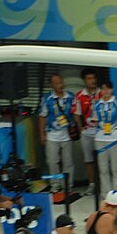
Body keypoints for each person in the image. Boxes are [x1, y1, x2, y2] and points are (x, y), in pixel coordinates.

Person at [38, 72, 76, 200]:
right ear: (52, 85)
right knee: (52, 162)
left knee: (68, 162)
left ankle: (68, 185)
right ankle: (55, 185)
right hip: (52, 136)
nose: (60, 85)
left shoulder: (70, 97)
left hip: (67, 135)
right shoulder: (47, 98)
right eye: (57, 83)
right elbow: (42, 117)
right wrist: (42, 134)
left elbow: (76, 113)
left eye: (61, 82)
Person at [93, 79, 117, 196]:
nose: (106, 91)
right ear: (100, 90)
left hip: (115, 139)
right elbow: (95, 121)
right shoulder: (96, 104)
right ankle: (105, 194)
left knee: (116, 168)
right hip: (100, 139)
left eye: (108, 88)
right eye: (103, 88)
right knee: (103, 169)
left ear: (112, 89)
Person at [73, 68, 101, 196]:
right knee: (88, 160)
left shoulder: (102, 94)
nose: (92, 81)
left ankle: (103, 184)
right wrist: (80, 129)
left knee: (101, 159)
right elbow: (76, 114)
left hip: (101, 132)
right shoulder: (79, 95)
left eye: (94, 78)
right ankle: (92, 184)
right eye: (89, 78)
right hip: (87, 131)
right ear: (84, 80)